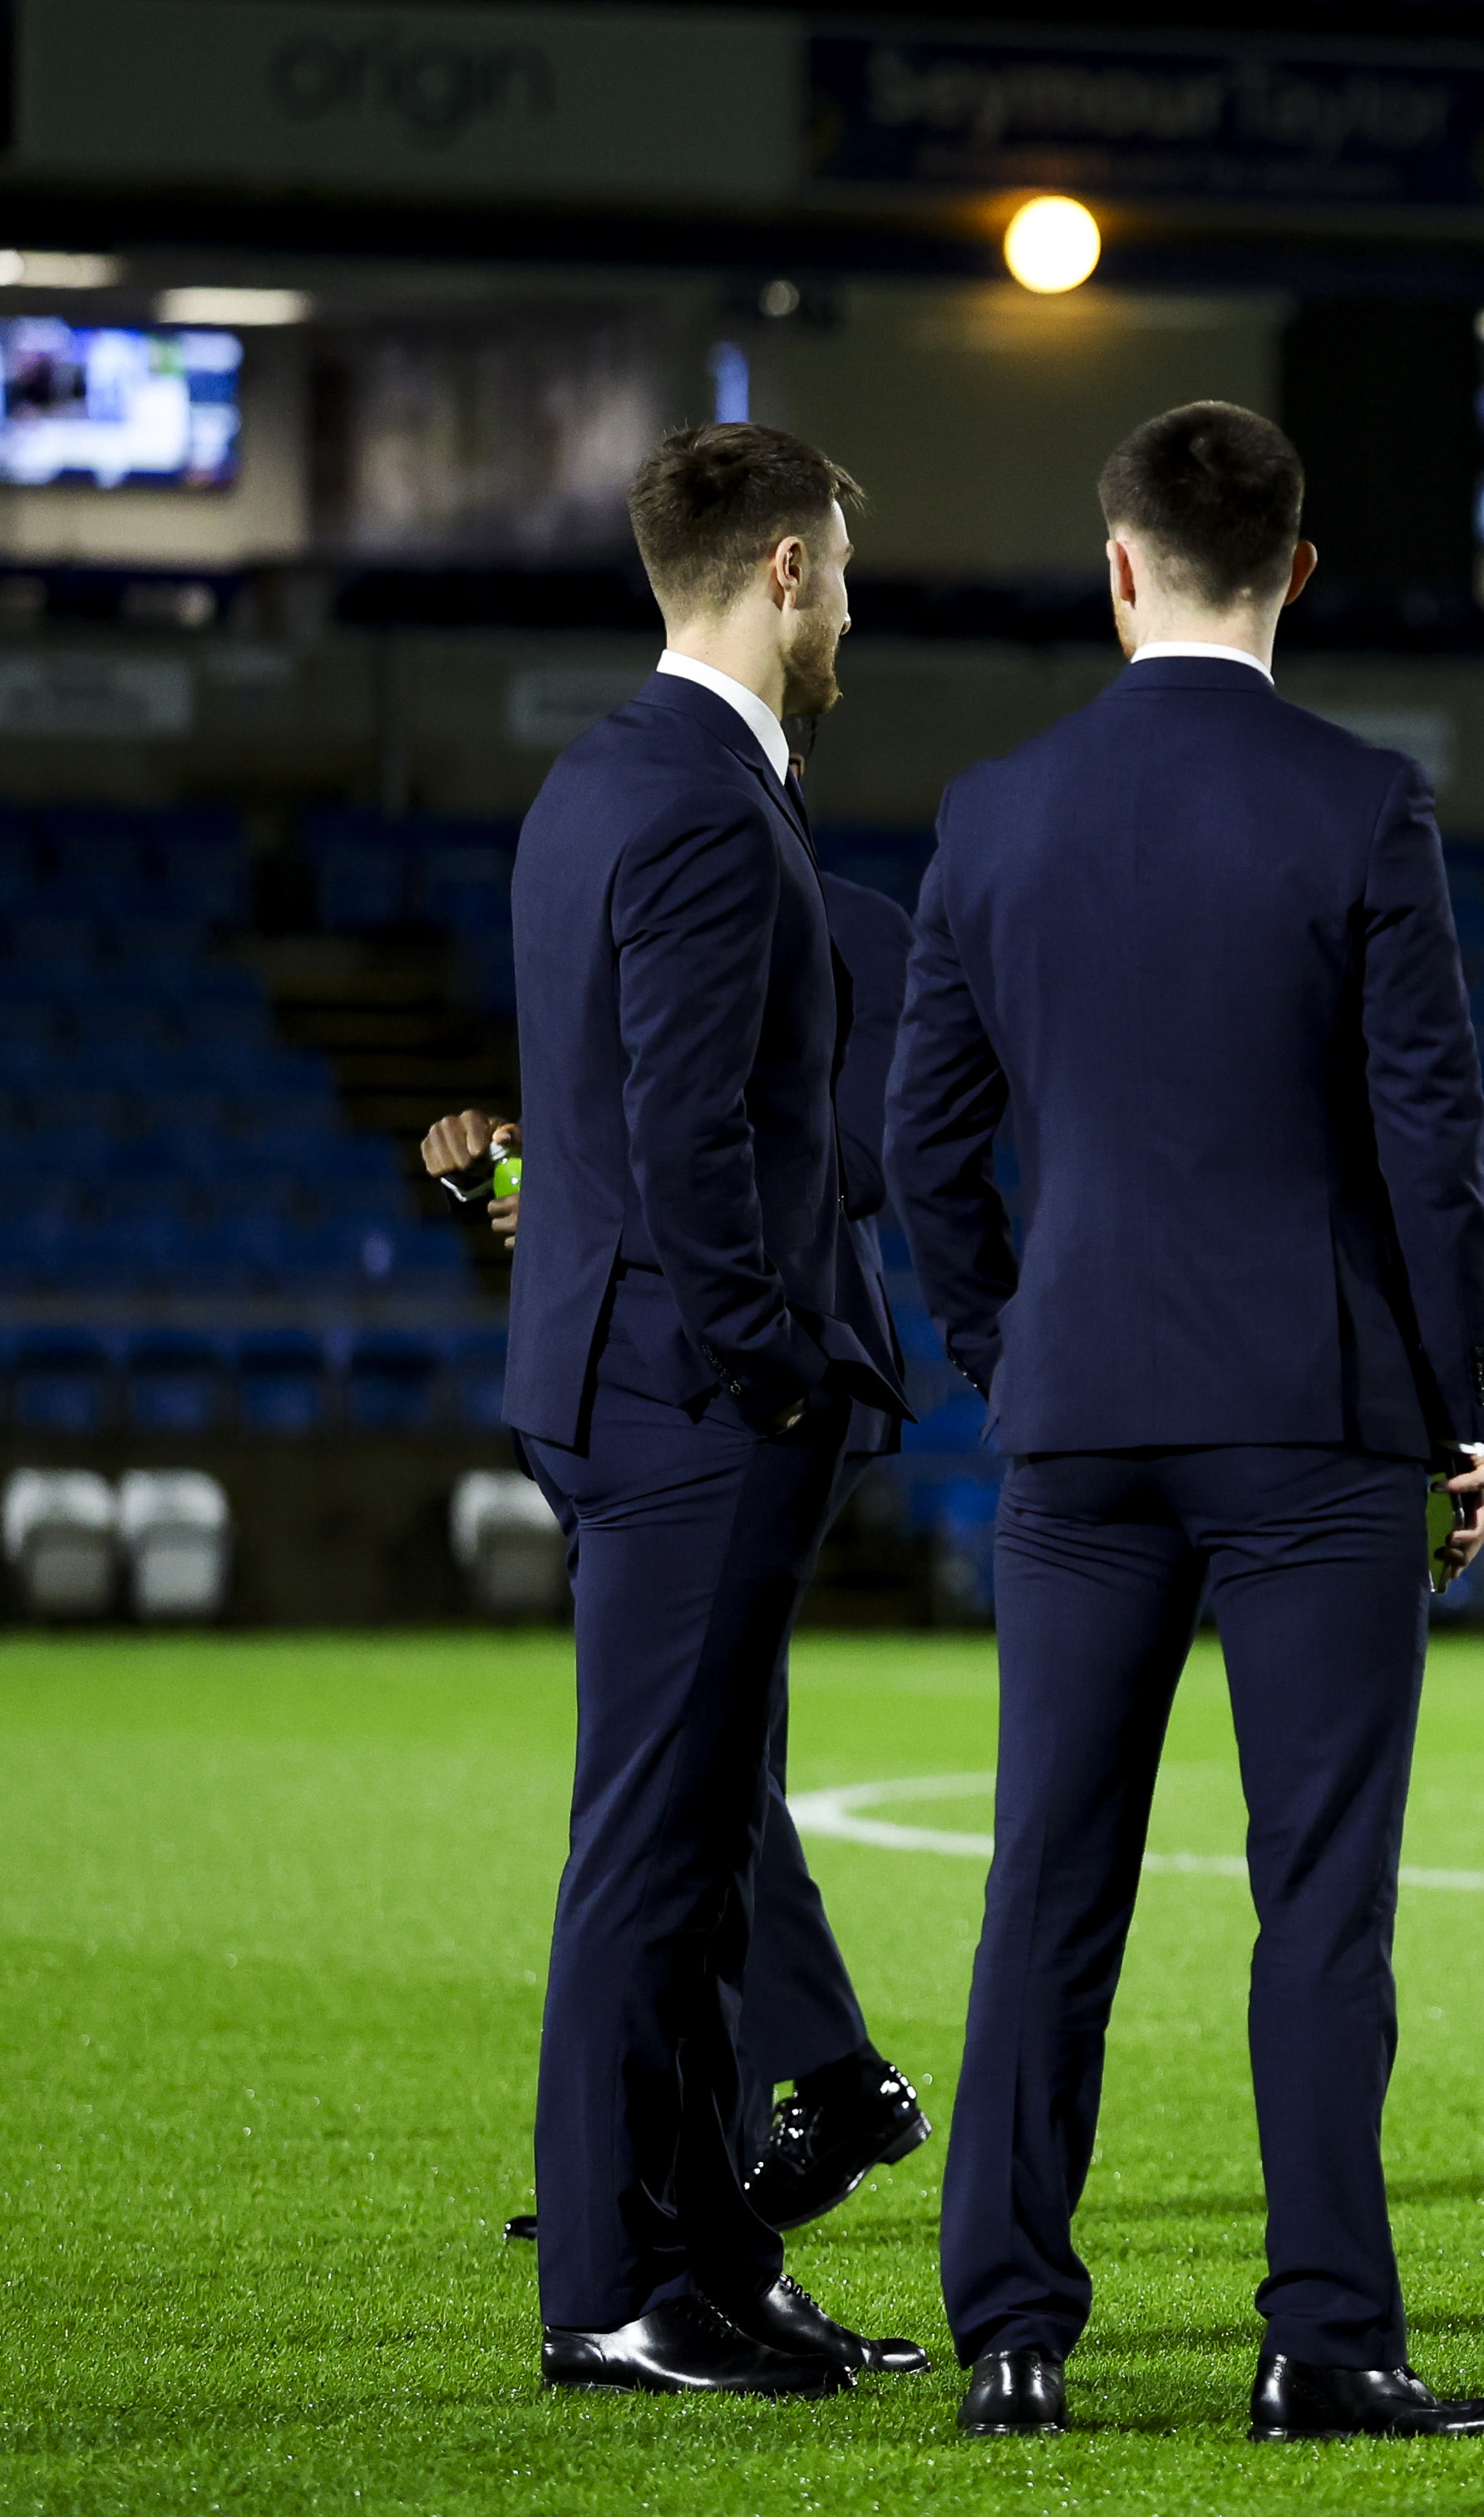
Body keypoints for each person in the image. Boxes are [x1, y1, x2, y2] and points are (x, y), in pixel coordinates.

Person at [887, 401, 1484, 2444]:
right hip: (1314, 1422)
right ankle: (1323, 2340)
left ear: (1120, 562)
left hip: (1079, 1420)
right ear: (1299, 573)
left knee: (1044, 1883)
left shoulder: (992, 811)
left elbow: (920, 1147)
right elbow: (1435, 1147)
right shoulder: (1361, 807)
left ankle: (1010, 2335)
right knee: (1317, 1894)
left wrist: (1009, 1351)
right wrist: (1470, 1418)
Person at [500, 420, 927, 2396]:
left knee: (689, 1849)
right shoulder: (695, 806)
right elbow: (688, 1143)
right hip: (689, 1403)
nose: (848, 605)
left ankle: (719, 2259)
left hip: (628, 1386)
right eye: (835, 570)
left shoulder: (611, 778)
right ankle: (611, 2287)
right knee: (654, 1863)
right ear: (777, 572)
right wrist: (770, 1377)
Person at [430, 861, 935, 2248]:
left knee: (678, 1761)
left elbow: (860, 1159)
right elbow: (617, 1139)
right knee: (709, 1762)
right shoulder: (641, 907)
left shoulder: (862, 928)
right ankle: (746, 2122)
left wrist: (614, 1198)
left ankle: (726, 2135)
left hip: (767, 1387)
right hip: (630, 1388)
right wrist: (523, 1163)